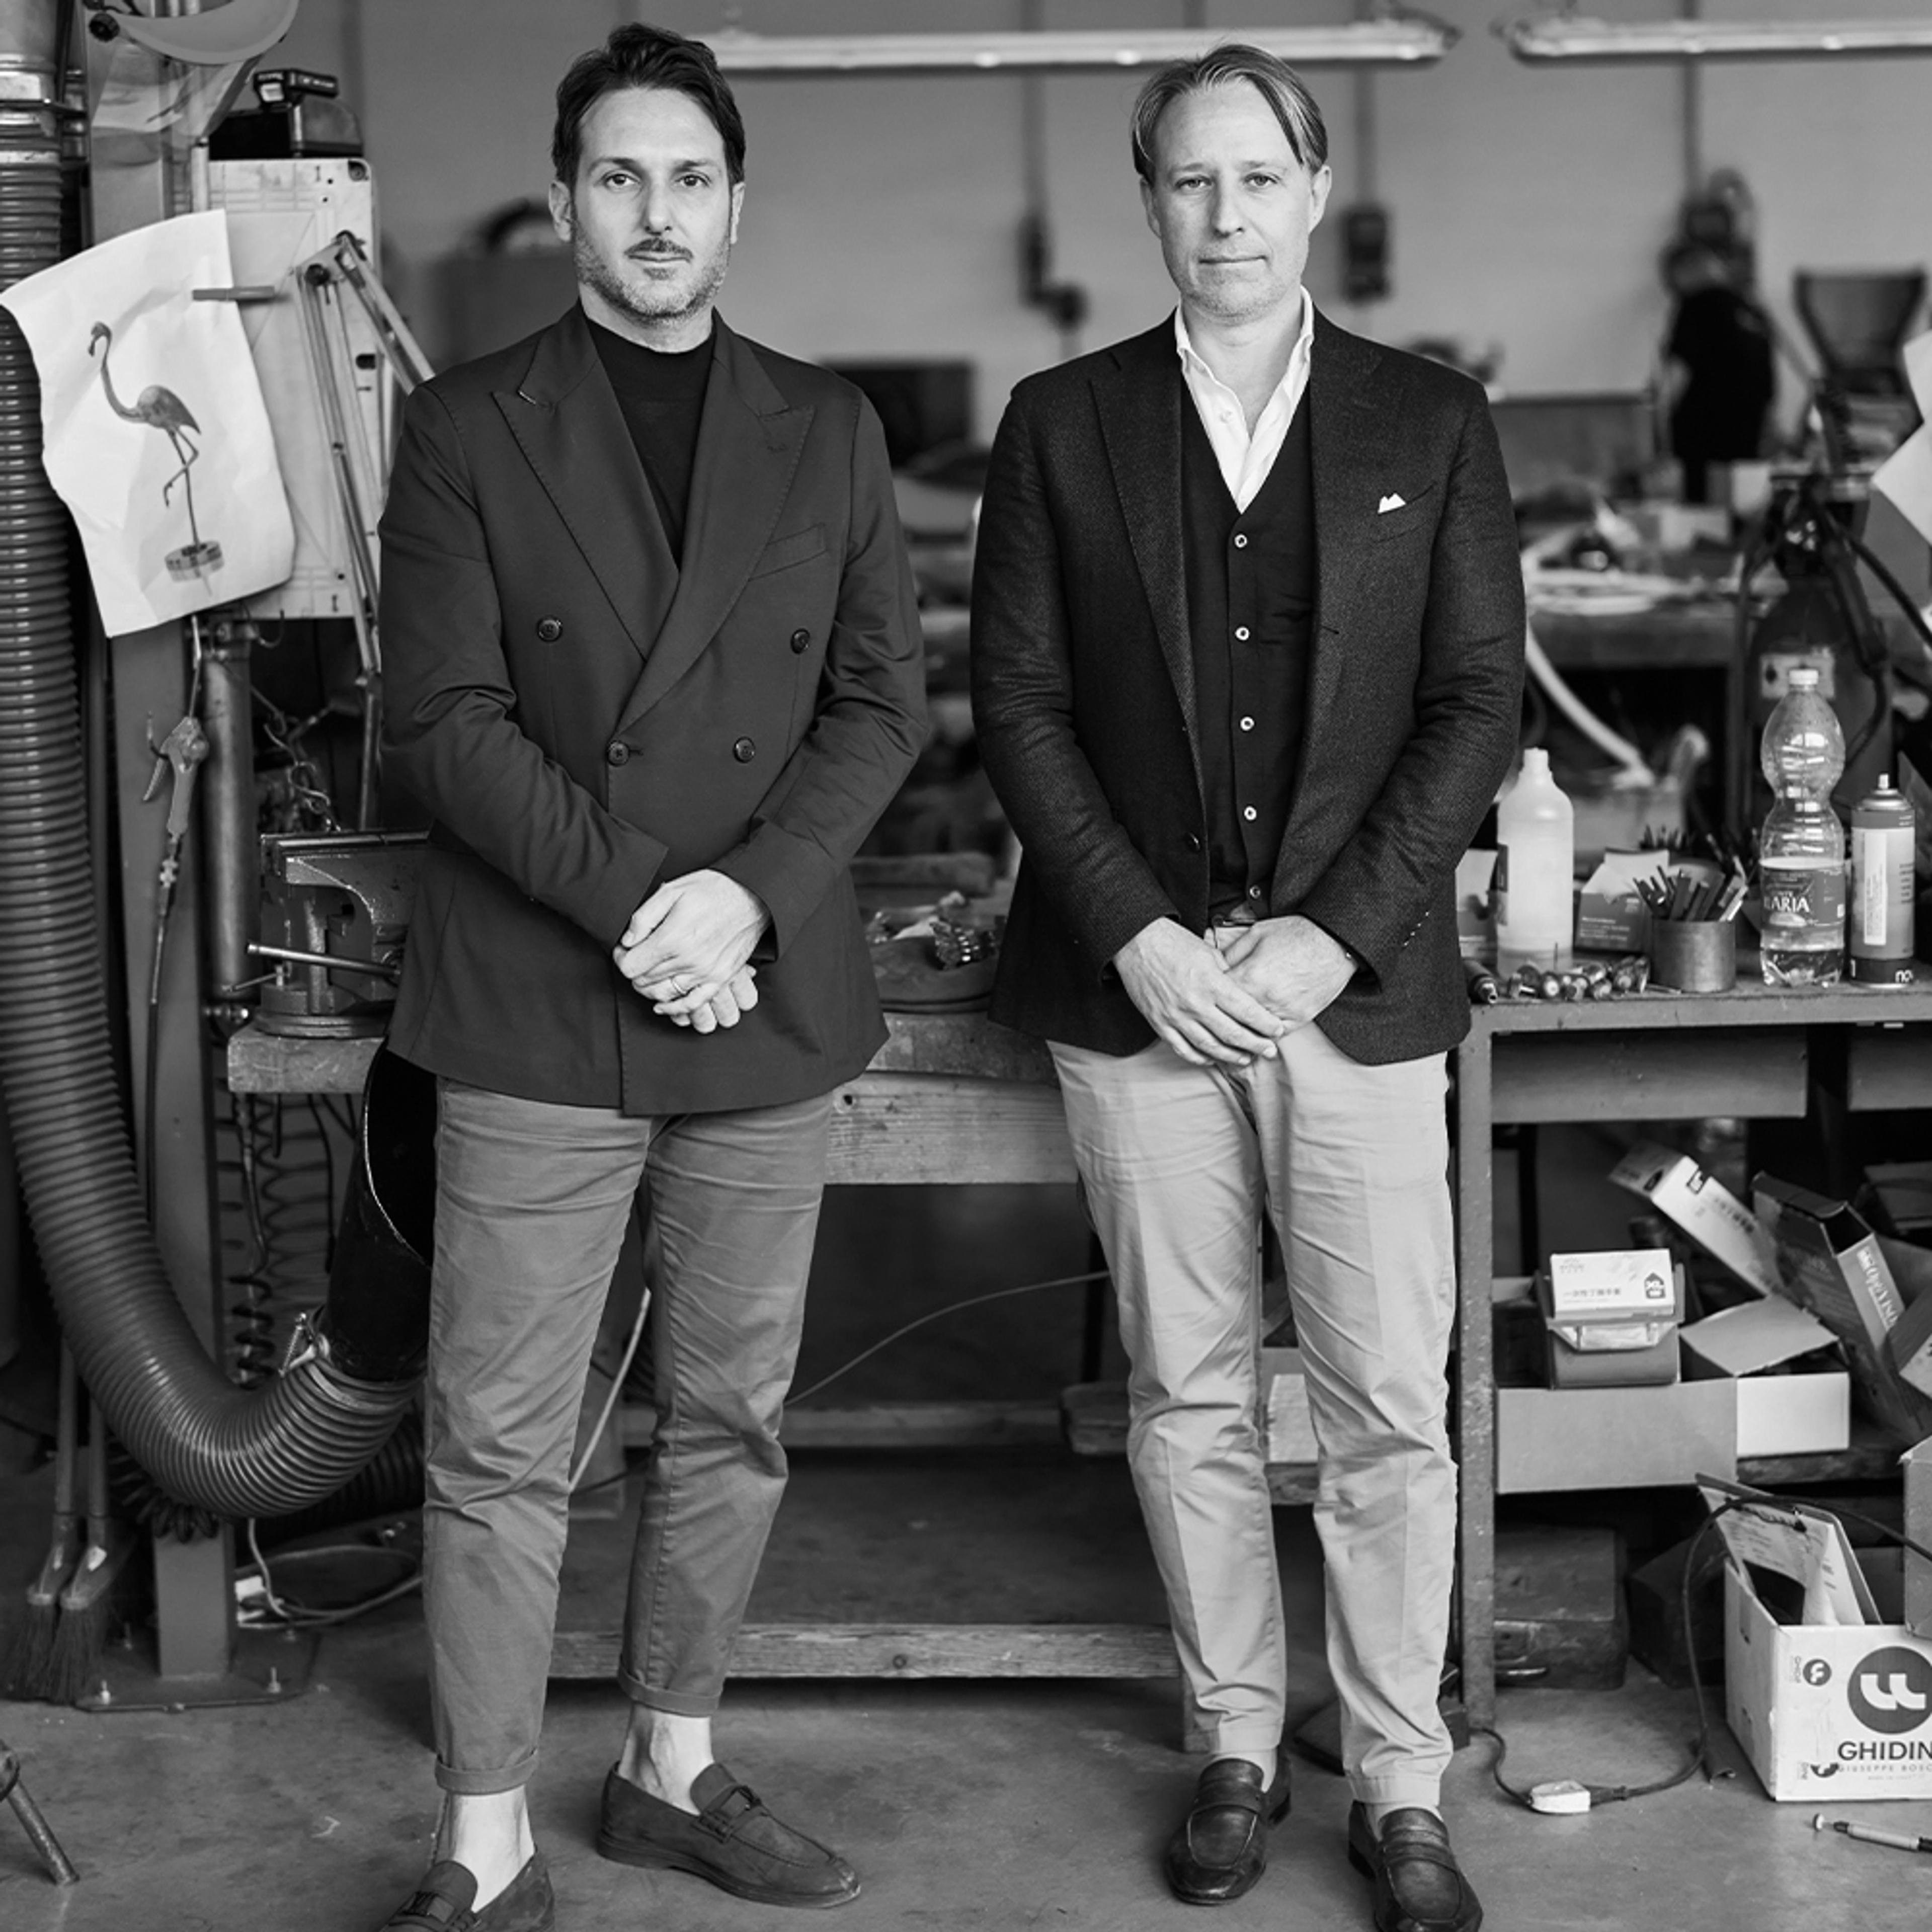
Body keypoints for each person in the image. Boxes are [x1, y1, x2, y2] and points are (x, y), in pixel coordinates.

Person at [374, 23, 925, 1930]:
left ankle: (670, 1764)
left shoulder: (827, 428)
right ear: (565, 204)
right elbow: (439, 723)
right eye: (619, 176)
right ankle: (484, 1838)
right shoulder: (465, 425)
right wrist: (648, 907)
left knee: (729, 1417)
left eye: (689, 178)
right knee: (498, 1441)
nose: (657, 211)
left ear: (736, 206)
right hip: (542, 998)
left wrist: (746, 900)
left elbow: (880, 707)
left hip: (758, 1000)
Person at [970, 45, 1522, 1932]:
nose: (1225, 215)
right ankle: (1229, 1739)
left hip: (1348, 992)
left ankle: (1399, 1777)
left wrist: (1328, 933)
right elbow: (1017, 706)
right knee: (1186, 1390)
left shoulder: (1428, 420)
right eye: (1189, 182)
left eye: (1256, 178)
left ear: (1314, 192)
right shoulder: (1061, 423)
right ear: (1150, 205)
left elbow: (1474, 708)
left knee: (1385, 1401)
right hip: (1135, 992)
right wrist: (1134, 928)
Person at [1662, 239, 1776, 504]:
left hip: (1702, 438)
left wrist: (1657, 430)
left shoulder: (1697, 306)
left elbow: (1677, 374)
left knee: (1702, 512)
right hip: (1748, 435)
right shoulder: (1751, 310)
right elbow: (1768, 379)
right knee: (1739, 507)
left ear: (1686, 270)